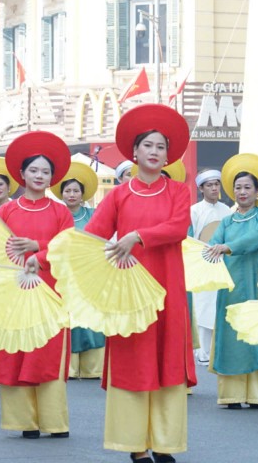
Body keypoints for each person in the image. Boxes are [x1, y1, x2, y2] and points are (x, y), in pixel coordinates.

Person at [82, 104, 194, 463]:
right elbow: (91, 237)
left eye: (161, 147)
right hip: (128, 290)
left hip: (168, 288)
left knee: (166, 360)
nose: (155, 152)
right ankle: (135, 445)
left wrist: (136, 237)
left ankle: (165, 443)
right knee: (134, 360)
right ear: (134, 152)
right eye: (148, 145)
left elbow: (178, 228)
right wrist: (44, 252)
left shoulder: (178, 191)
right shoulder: (117, 195)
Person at [0, 131, 74, 439]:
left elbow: (68, 246)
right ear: (21, 174)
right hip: (13, 290)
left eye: (45, 172)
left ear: (52, 177)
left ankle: (54, 421)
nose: (39, 176)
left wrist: (39, 249)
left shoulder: (61, 211)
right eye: (33, 170)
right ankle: (25, 422)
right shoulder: (6, 210)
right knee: (16, 352)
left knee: (47, 353)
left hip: (49, 290)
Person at [205, 153, 258, 409]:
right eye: (238, 187)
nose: (242, 192)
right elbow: (212, 245)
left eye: (248, 187)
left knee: (256, 334)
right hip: (232, 287)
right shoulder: (227, 221)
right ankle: (232, 395)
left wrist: (228, 247)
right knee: (232, 337)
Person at [52, 162, 106, 380]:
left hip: (90, 272)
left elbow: (102, 238)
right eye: (68, 190)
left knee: (92, 316)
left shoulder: (94, 214)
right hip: (64, 272)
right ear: (61, 193)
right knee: (69, 317)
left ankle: (93, 368)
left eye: (76, 191)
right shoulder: (56, 214)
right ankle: (70, 367)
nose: (71, 194)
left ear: (83, 194)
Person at [189, 169, 228, 365]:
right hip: (201, 263)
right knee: (203, 305)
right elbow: (189, 238)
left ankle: (216, 351)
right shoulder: (194, 210)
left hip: (222, 263)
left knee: (218, 304)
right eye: (209, 185)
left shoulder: (227, 211)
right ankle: (203, 353)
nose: (214, 188)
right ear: (201, 188)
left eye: (217, 184)